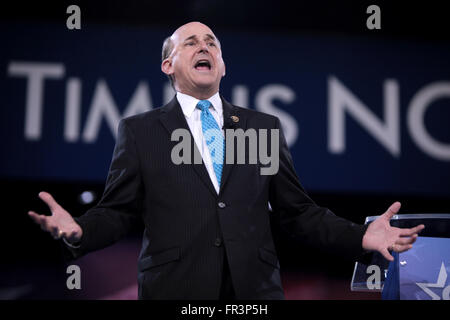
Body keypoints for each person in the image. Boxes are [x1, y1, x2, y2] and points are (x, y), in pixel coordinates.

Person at [28, 22, 424, 300]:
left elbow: (298, 212)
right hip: (174, 289)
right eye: (190, 42)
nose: (204, 46)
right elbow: (117, 212)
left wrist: (361, 236)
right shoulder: (140, 131)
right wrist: (79, 229)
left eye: (212, 42)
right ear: (168, 65)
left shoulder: (263, 126)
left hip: (253, 291)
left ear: (222, 64)